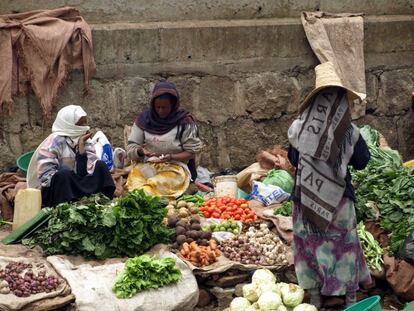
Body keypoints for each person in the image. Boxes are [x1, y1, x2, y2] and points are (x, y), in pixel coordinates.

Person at [287, 62, 372, 308]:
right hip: (340, 202)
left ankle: (315, 297)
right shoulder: (350, 133)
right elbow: (362, 162)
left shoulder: (298, 129)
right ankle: (350, 299)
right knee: (344, 248)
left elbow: (293, 159)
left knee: (309, 245)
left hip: (305, 200)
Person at [27, 105, 115, 207]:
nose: (85, 126)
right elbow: (46, 178)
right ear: (69, 124)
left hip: (76, 184)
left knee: (100, 166)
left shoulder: (85, 140)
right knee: (64, 173)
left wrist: (81, 146)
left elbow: (85, 172)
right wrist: (71, 177)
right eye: (81, 123)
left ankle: (102, 202)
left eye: (85, 122)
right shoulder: (54, 142)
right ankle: (68, 206)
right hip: (57, 191)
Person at [127, 81, 202, 197]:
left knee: (154, 184)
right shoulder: (144, 120)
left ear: (173, 105)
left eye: (165, 107)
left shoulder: (184, 122)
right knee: (135, 182)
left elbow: (191, 153)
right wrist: (141, 151)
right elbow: (131, 147)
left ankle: (148, 198)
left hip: (175, 168)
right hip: (150, 165)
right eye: (158, 107)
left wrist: (171, 157)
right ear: (153, 105)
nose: (160, 111)